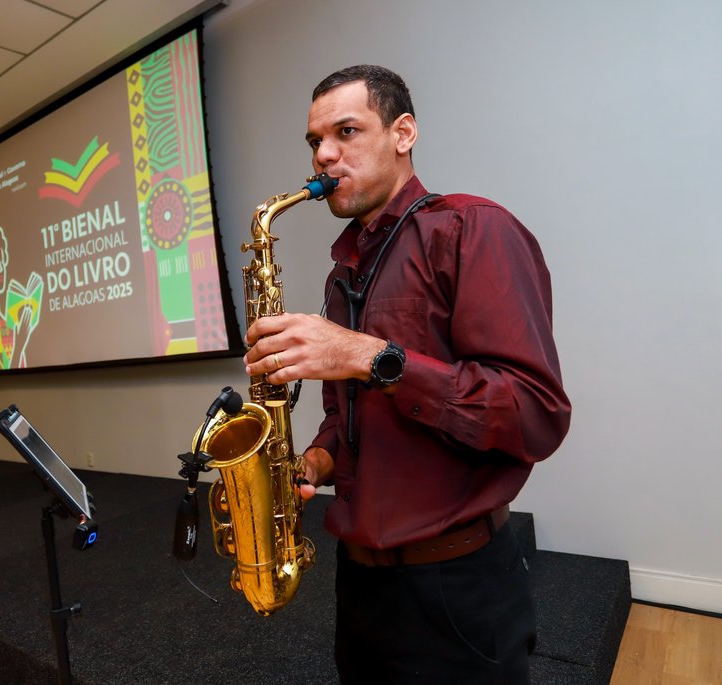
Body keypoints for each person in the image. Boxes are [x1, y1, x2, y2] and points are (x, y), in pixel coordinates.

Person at [243, 65, 571, 684]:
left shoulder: (474, 229)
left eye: (345, 131)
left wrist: (371, 356)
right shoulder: (343, 274)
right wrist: (312, 463)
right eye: (314, 141)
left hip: (457, 586)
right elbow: (350, 424)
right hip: (361, 584)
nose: (324, 156)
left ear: (403, 132)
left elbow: (535, 414)